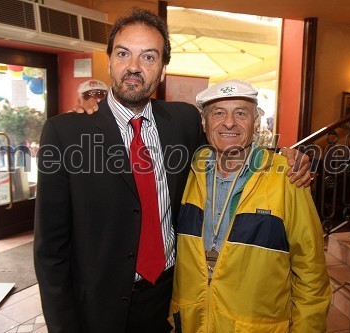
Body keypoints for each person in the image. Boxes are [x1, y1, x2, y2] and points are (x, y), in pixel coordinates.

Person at [34, 9, 312, 333]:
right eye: (124, 53)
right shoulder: (65, 133)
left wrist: (284, 160)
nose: (134, 67)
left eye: (148, 57)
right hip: (95, 310)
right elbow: (50, 251)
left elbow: (229, 148)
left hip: (166, 304)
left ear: (163, 70)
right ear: (109, 60)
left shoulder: (183, 121)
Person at [169, 79, 331, 332]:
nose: (229, 122)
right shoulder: (186, 171)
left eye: (241, 113)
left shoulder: (286, 177)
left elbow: (311, 273)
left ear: (256, 124)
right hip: (192, 323)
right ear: (204, 122)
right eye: (219, 113)